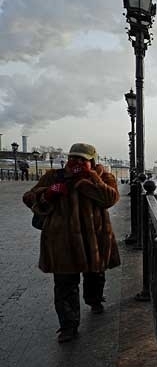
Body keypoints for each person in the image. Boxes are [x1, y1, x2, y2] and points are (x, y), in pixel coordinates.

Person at [23, 143, 121, 343]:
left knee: (95, 275)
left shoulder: (103, 176)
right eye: (72, 158)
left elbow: (110, 199)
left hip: (93, 238)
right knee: (65, 285)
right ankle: (68, 326)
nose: (75, 162)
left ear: (92, 161)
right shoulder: (54, 176)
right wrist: (48, 193)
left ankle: (94, 300)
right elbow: (29, 198)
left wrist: (89, 179)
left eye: (82, 159)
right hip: (62, 240)